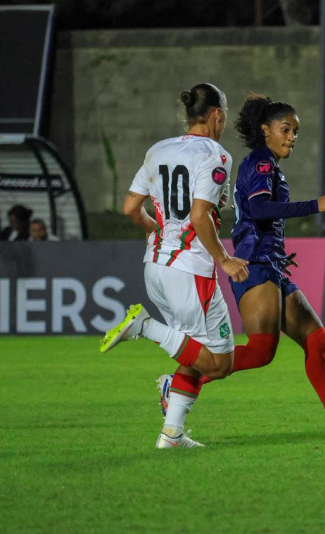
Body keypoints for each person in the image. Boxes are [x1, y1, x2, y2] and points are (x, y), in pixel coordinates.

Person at [162, 93, 325, 440]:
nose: (292, 137)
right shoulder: (261, 163)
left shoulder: (266, 164)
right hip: (254, 266)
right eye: (286, 129)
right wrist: (316, 204)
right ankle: (180, 381)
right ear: (265, 130)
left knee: (317, 341)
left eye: (295, 131)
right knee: (260, 351)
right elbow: (261, 209)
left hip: (271, 267)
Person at [99, 82, 250, 449]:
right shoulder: (215, 155)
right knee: (219, 363)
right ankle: (143, 327)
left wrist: (158, 231)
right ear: (217, 114)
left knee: (193, 352)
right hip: (191, 271)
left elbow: (130, 209)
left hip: (155, 266)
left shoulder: (158, 150)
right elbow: (200, 216)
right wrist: (225, 260)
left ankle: (172, 433)